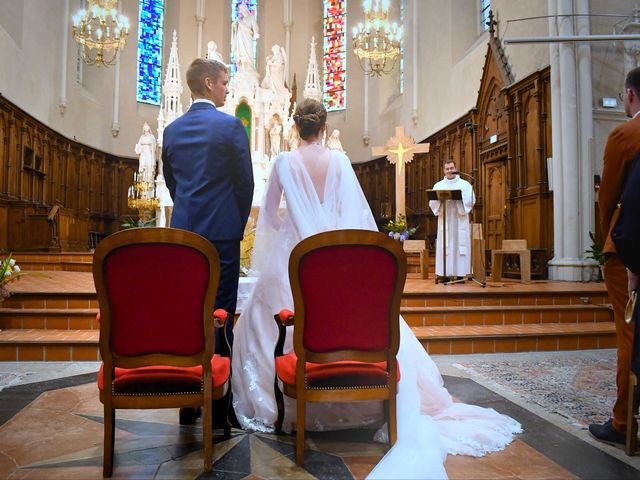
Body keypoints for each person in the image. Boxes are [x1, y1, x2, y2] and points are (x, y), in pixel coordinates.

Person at [231, 99, 520, 478]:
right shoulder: (339, 162)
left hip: (297, 257)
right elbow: (352, 213)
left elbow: (268, 216)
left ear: (294, 127)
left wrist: (291, 221)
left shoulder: (284, 163)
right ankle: (364, 394)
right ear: (324, 127)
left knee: (262, 316)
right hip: (338, 254)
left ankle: (289, 400)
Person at [589, 66, 640, 446]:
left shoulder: (625, 134)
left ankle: (624, 419)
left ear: (631, 95)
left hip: (629, 251)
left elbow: (608, 197)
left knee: (630, 332)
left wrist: (607, 238)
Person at [428, 160, 475, 280]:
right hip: (445, 219)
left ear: (456, 168)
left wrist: (459, 199)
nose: (450, 171)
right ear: (444, 170)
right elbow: (432, 202)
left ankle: (460, 275)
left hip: (460, 220)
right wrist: (441, 201)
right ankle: (445, 274)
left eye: (452, 168)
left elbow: (470, 200)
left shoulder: (465, 184)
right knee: (446, 245)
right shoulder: (438, 185)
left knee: (460, 244)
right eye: (447, 169)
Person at [231, 3, 259, 71]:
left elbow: (255, 28)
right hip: (240, 38)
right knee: (241, 53)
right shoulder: (240, 19)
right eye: (240, 9)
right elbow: (235, 28)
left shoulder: (251, 17)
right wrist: (235, 25)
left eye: (242, 9)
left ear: (245, 9)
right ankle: (241, 68)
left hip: (247, 37)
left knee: (248, 53)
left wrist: (256, 33)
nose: (241, 11)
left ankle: (249, 68)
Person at [134, 123, 156, 187]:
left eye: (147, 127)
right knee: (143, 166)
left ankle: (149, 181)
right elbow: (138, 145)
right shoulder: (142, 137)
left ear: (149, 128)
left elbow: (154, 147)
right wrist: (138, 148)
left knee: (149, 165)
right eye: (144, 127)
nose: (146, 128)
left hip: (149, 153)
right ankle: (143, 181)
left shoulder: (152, 137)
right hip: (143, 153)